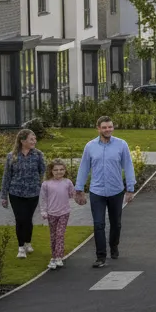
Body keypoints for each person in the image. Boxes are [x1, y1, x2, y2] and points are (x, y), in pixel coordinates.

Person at [75, 115, 136, 268]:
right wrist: (79, 189)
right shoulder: (90, 147)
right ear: (98, 129)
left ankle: (114, 246)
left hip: (116, 191)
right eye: (104, 127)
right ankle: (100, 257)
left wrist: (130, 189)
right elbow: (84, 168)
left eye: (110, 127)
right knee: (98, 224)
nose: (108, 129)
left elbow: (128, 166)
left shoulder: (122, 145)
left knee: (116, 223)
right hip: (97, 192)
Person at [1, 129, 46, 259]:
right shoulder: (11, 156)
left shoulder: (38, 155)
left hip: (33, 193)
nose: (34, 141)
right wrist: (4, 196)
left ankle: (28, 242)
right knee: (20, 219)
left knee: (28, 219)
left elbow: (43, 173)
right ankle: (21, 247)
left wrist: (43, 189)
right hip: (16, 193)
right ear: (23, 141)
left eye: (35, 139)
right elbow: (6, 177)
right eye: (32, 139)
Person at [39, 159, 78, 270]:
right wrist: (43, 211)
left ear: (65, 170)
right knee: (53, 236)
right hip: (51, 213)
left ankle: (58, 257)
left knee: (60, 234)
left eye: (61, 169)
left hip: (64, 213)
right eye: (55, 170)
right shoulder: (46, 184)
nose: (58, 172)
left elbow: (72, 194)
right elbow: (43, 199)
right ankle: (54, 256)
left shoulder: (68, 182)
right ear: (51, 171)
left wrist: (78, 195)